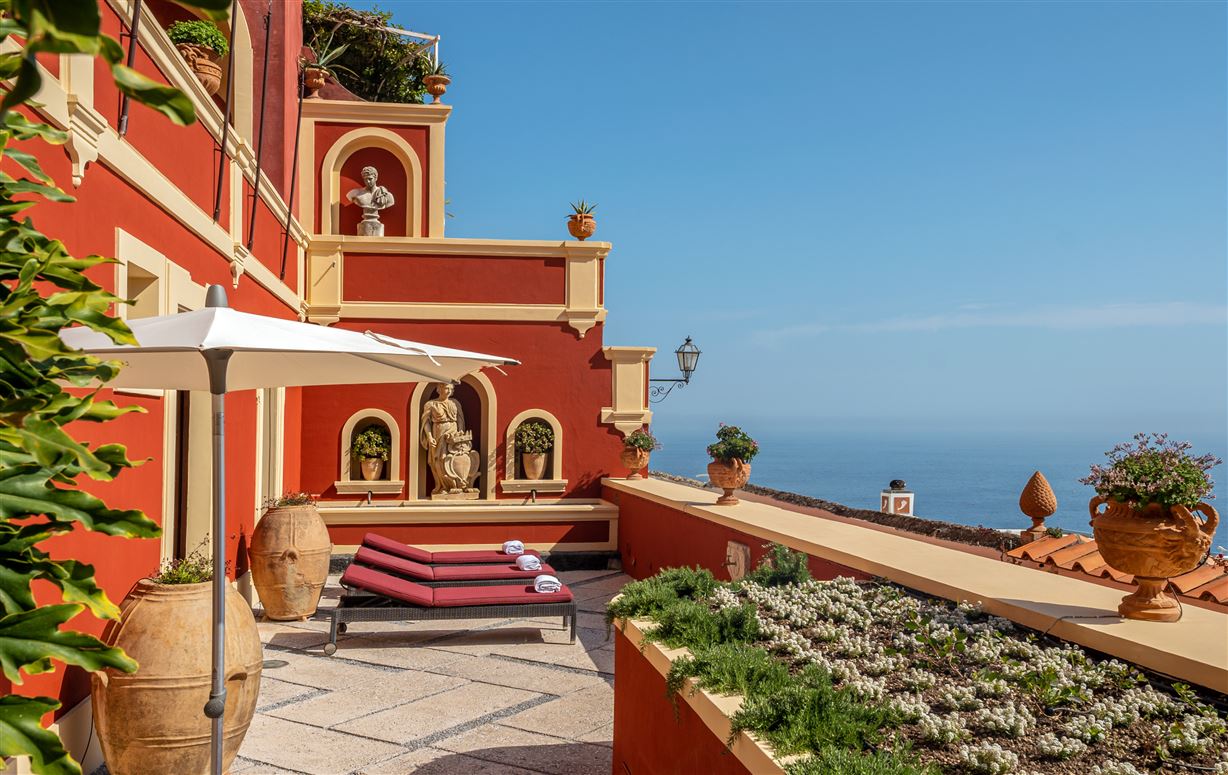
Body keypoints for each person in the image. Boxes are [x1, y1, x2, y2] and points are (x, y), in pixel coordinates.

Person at [345, 165, 395, 236]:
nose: (367, 181)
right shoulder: (355, 194)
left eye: (370, 179)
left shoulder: (386, 196)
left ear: (376, 178)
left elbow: (391, 202)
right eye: (365, 179)